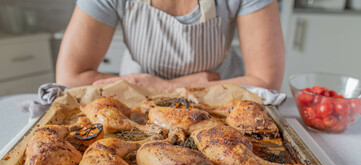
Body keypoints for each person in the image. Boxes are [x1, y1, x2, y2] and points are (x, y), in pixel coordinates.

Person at [56, 0, 285, 91]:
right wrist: (168, 87)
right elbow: (70, 77)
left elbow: (265, 82)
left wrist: (168, 87)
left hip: (220, 100)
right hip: (133, 99)